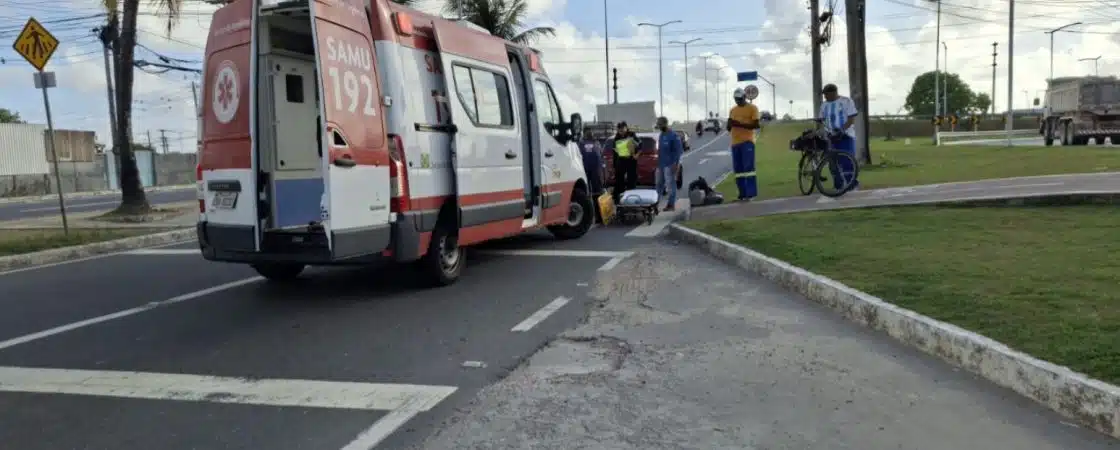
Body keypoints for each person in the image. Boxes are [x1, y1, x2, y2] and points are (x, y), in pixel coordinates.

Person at [818, 83, 860, 191]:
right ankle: (838, 186)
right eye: (824, 95)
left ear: (833, 93)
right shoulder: (824, 105)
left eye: (826, 94)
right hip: (830, 136)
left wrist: (842, 129)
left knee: (847, 161)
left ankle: (852, 184)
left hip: (846, 135)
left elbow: (851, 119)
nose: (825, 97)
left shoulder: (846, 101)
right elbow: (821, 120)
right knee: (832, 162)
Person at [726, 87, 761, 201]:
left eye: (740, 99)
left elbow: (756, 125)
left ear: (745, 97)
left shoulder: (752, 108)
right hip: (735, 143)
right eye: (736, 99)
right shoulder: (733, 110)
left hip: (747, 142)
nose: (738, 102)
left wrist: (739, 124)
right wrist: (729, 124)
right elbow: (729, 128)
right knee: (738, 170)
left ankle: (751, 194)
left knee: (748, 168)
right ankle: (742, 193)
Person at [655, 116, 683, 211]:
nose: (659, 127)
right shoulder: (661, 135)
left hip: (670, 164)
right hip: (661, 164)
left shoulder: (674, 136)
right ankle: (655, 203)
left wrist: (676, 164)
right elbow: (660, 150)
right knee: (659, 184)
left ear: (665, 124)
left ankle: (671, 204)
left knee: (670, 185)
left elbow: (678, 151)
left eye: (660, 125)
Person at [610, 121, 639, 203]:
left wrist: (636, 153)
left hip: (631, 161)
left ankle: (631, 199)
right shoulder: (617, 137)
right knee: (619, 181)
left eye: (622, 129)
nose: (621, 132)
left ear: (626, 128)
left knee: (631, 181)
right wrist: (614, 166)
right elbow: (614, 152)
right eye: (619, 130)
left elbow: (639, 145)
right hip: (621, 161)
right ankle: (618, 199)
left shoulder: (632, 135)